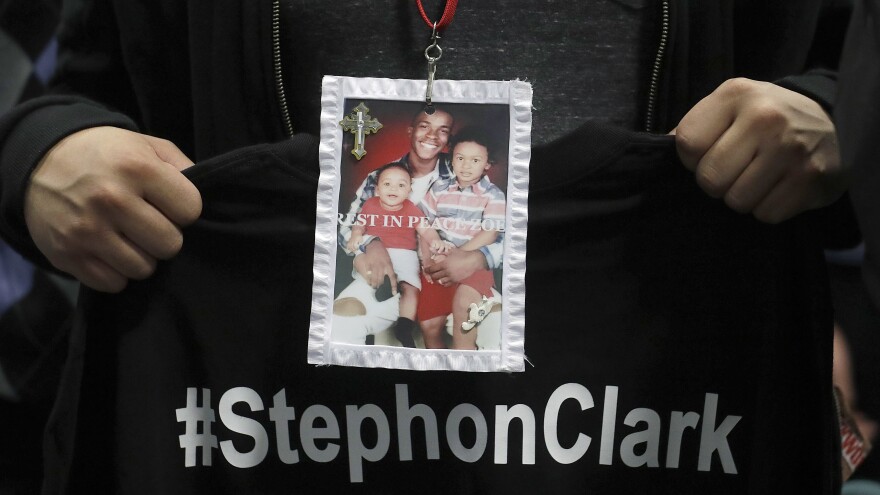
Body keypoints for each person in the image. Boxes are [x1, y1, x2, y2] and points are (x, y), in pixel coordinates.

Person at [0, 1, 854, 493]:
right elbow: (83, 91)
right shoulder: (384, 200)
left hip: (636, 417)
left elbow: (845, 64)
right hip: (271, 423)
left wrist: (843, 116)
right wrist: (39, 154)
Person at [416, 126, 505, 350]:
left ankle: (463, 355)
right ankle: (435, 365)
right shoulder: (439, 188)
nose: (466, 165)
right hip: (438, 261)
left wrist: (459, 256)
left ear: (487, 164)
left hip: (472, 265)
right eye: (460, 158)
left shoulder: (493, 195)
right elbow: (423, 224)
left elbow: (490, 232)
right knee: (429, 323)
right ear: (452, 160)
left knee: (465, 305)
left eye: (475, 160)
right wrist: (426, 259)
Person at [343, 162, 444, 348]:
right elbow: (359, 224)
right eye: (387, 184)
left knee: (411, 288)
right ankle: (384, 288)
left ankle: (404, 325)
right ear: (377, 189)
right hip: (377, 252)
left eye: (401, 185)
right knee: (369, 274)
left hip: (405, 255)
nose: (393, 189)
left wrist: (434, 240)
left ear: (409, 191)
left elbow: (425, 230)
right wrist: (357, 235)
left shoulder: (412, 209)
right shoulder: (370, 205)